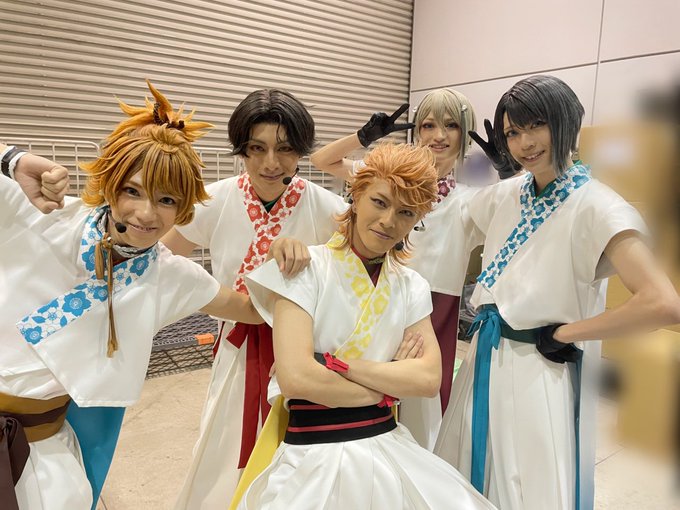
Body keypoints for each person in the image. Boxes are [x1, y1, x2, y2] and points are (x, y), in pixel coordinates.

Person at [0, 81, 296, 510]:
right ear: (111, 184)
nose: (145, 213)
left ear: (183, 209)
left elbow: (249, 309)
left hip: (42, 451)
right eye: (132, 191)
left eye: (166, 199)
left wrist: (296, 263)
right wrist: (13, 159)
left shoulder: (171, 275)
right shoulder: (43, 212)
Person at [434, 75, 680, 510]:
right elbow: (442, 218)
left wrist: (567, 333)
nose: (525, 142)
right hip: (486, 356)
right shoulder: (509, 192)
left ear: (566, 121)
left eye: (537, 125)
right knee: (465, 468)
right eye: (513, 132)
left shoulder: (599, 205)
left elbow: (662, 303)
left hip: (541, 366)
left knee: (529, 482)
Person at [232, 142, 496, 509]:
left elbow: (427, 379)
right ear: (356, 196)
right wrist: (387, 387)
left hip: (388, 441)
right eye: (380, 202)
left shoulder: (412, 285)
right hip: (312, 451)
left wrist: (334, 364)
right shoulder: (305, 267)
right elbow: (297, 378)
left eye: (406, 212)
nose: (389, 221)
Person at [163, 88, 347, 508]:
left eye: (285, 149)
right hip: (236, 347)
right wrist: (211, 297)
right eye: (257, 148)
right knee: (224, 444)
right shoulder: (213, 199)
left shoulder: (330, 208)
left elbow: (355, 277)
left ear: (301, 150)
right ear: (241, 149)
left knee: (299, 455)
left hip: (304, 353)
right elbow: (163, 260)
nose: (270, 163)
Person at [310, 89, 513, 449]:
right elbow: (321, 159)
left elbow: (517, 211)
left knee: (421, 415)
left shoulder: (470, 199)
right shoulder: (386, 181)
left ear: (465, 134)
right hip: (372, 296)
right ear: (417, 131)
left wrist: (509, 170)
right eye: (429, 125)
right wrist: (364, 137)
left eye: (451, 126)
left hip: (434, 312)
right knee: (360, 396)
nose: (439, 136)